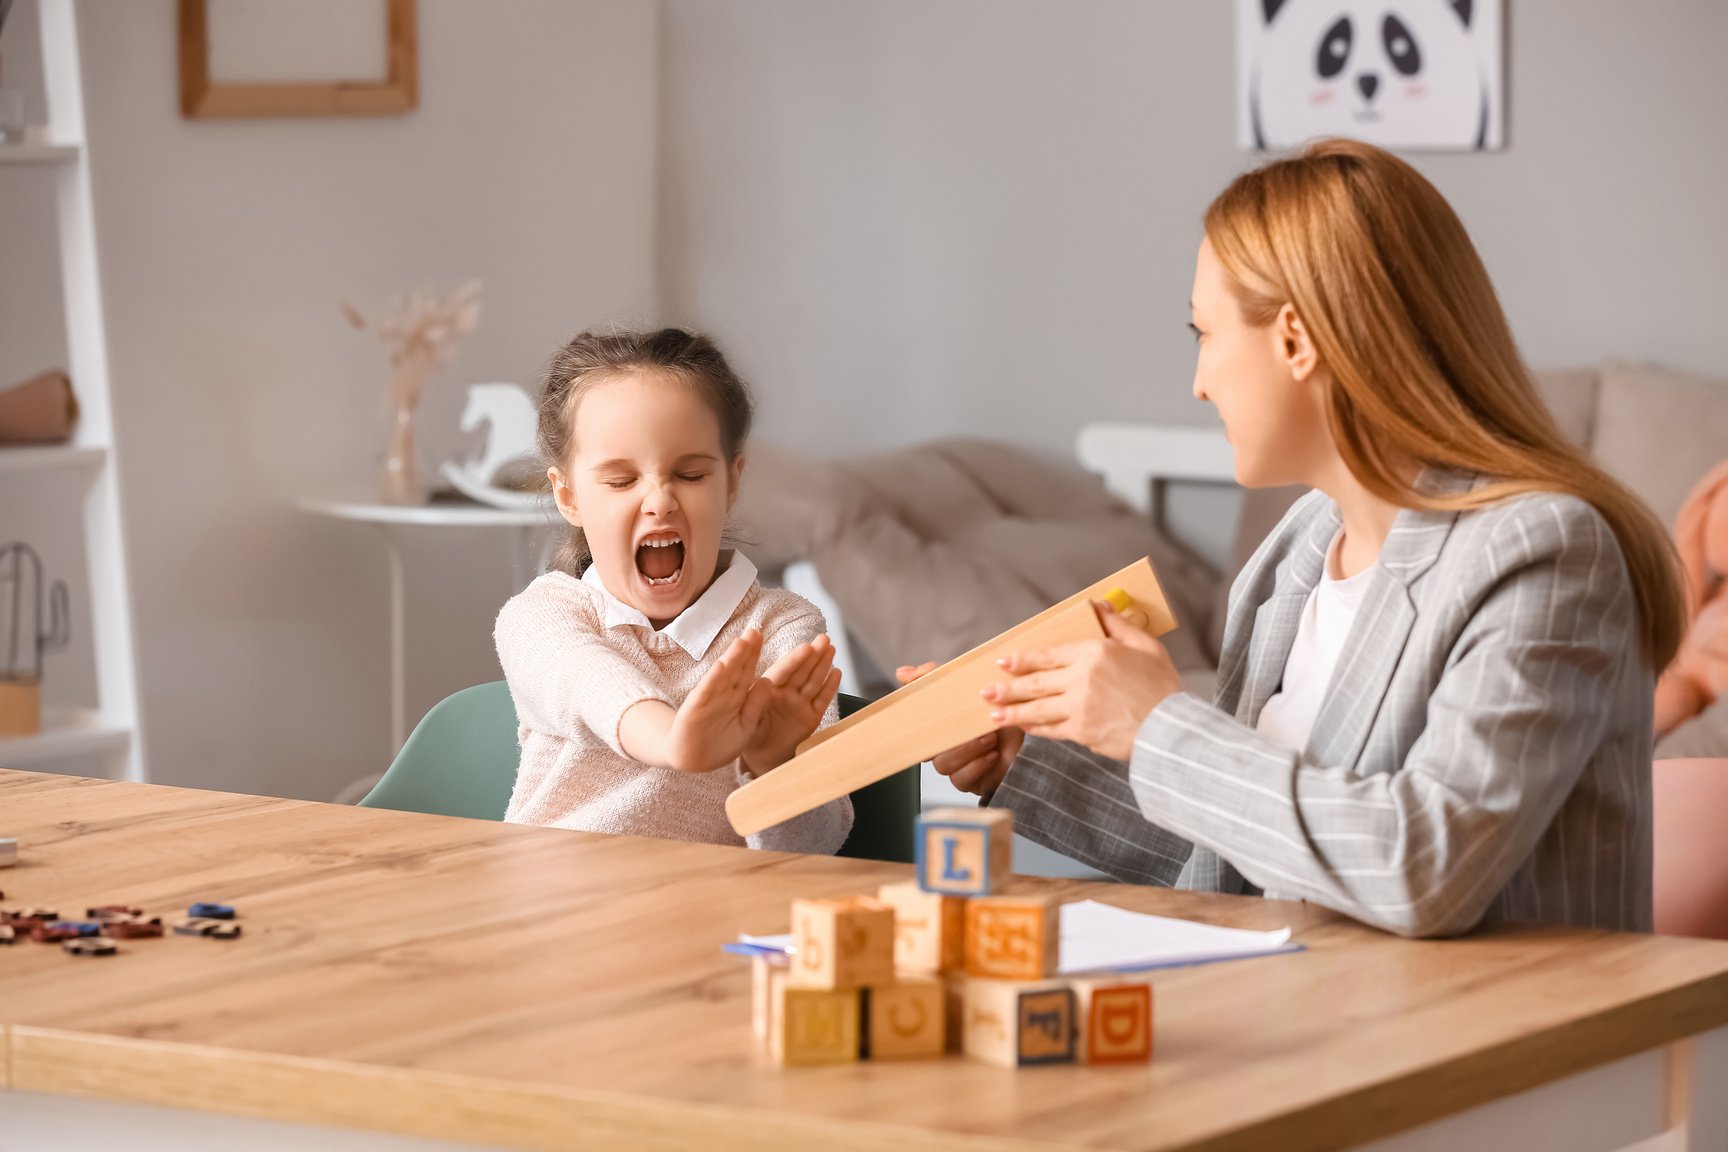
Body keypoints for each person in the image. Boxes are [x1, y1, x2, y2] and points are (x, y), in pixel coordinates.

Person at [909, 138, 1686, 937]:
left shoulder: (1543, 554)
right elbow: (1251, 854)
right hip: (1306, 1012)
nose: (1199, 380)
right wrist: (1033, 759)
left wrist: (1159, 725)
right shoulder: (1299, 554)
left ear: (1295, 339)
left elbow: (1428, 868)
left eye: (1203, 333)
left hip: (1495, 1046)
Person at [497, 327, 852, 852]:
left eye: (689, 474)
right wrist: (676, 740)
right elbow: (590, 682)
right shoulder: (543, 615)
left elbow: (817, 848)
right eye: (621, 481)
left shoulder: (785, 627)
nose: (659, 501)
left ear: (731, 483)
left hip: (708, 921)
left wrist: (772, 766)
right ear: (569, 497)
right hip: (551, 911)